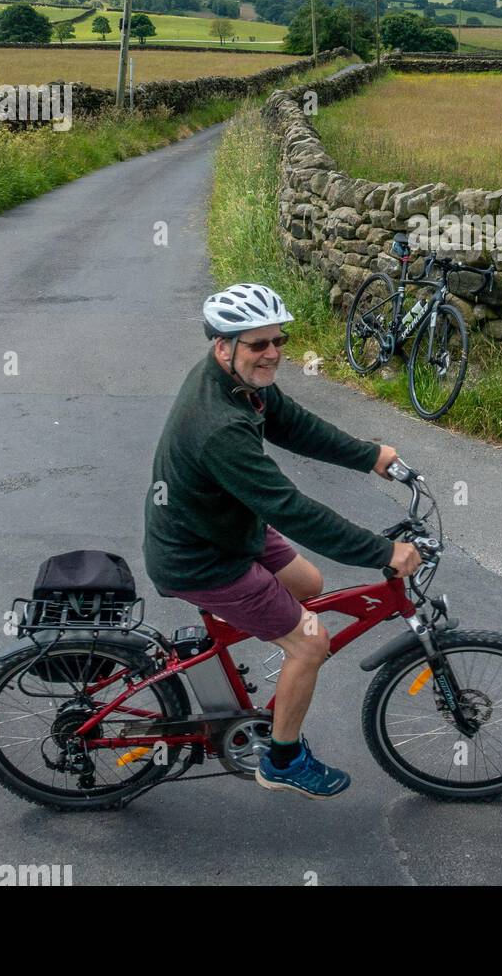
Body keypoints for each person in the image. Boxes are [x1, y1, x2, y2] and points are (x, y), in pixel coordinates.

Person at [143, 282, 421, 798]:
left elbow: (293, 425)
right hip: (200, 558)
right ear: (223, 345)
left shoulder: (236, 382)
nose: (272, 353)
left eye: (279, 341)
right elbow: (292, 510)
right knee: (312, 641)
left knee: (309, 581)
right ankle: (283, 760)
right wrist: (383, 552)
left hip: (222, 526)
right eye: (257, 344)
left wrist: (369, 455)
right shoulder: (218, 426)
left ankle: (241, 644)